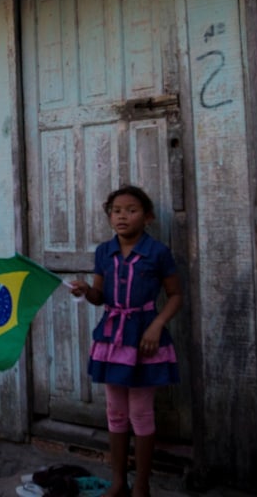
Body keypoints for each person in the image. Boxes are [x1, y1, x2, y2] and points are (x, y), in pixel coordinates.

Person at [68, 186, 183, 497]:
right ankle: (119, 482)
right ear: (109, 217)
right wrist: (84, 291)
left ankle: (141, 487)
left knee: (141, 413)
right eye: (116, 210)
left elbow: (175, 296)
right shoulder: (104, 252)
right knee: (115, 412)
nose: (122, 216)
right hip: (112, 338)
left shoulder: (158, 252)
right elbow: (99, 296)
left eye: (131, 210)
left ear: (147, 218)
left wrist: (157, 326)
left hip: (145, 338)